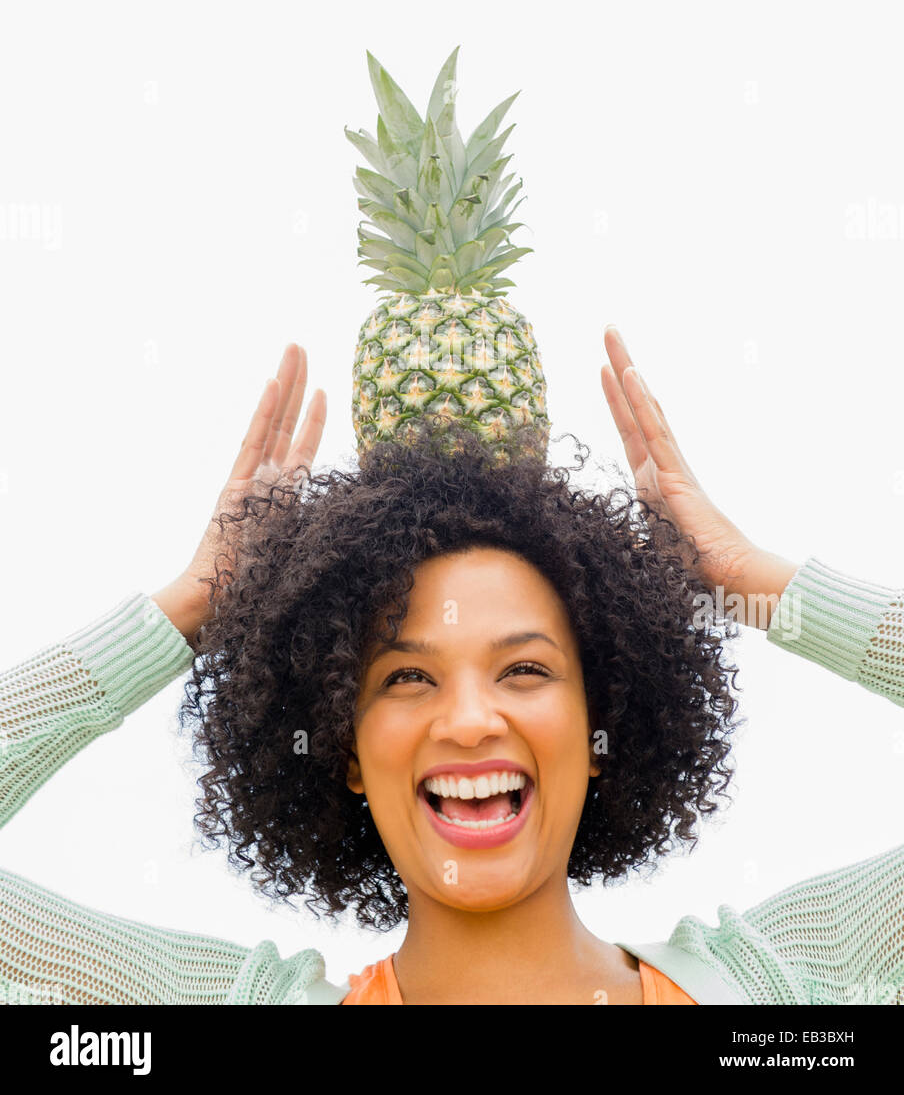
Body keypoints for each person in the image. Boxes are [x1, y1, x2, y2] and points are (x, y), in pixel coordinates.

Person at [0, 332, 900, 1005]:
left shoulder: (782, 997)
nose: (469, 720)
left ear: (602, 731)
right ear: (346, 751)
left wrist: (756, 587)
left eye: (525, 671)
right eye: (406, 677)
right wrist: (192, 608)